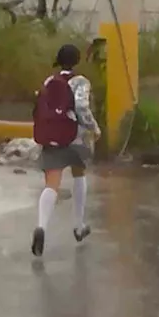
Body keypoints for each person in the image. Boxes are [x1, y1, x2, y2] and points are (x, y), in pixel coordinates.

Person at [30, 43, 100, 257]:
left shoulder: (50, 81)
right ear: (77, 60)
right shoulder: (81, 81)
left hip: (52, 135)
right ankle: (78, 227)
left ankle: (41, 226)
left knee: (52, 183)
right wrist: (94, 128)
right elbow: (81, 108)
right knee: (79, 173)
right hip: (75, 136)